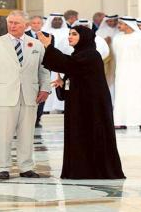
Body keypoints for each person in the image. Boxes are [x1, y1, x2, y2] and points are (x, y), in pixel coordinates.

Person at [36, 25, 125, 179]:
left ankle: (91, 171)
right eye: (69, 34)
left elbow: (67, 64)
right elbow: (73, 70)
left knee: (91, 136)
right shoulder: (79, 54)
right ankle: (80, 170)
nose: (70, 37)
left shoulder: (91, 54)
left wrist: (48, 46)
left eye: (74, 34)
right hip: (80, 105)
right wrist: (63, 84)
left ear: (84, 37)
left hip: (92, 108)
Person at [0, 10, 51, 180]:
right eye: (10, 22)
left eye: (16, 23)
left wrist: (45, 88)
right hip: (4, 95)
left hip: (30, 95)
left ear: (25, 25)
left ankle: (26, 167)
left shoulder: (36, 44)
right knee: (3, 134)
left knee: (27, 133)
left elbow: (43, 69)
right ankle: (2, 168)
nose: (12, 26)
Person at [112, 17, 141, 130]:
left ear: (128, 24)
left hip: (138, 71)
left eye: (121, 24)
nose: (119, 26)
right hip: (122, 71)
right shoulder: (117, 38)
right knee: (122, 95)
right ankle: (121, 121)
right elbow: (115, 54)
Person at [25, 16, 54, 128]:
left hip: (44, 67)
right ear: (30, 24)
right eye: (34, 23)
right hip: (28, 69)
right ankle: (28, 118)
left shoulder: (49, 36)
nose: (36, 25)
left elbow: (51, 52)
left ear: (42, 24)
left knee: (43, 91)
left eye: (38, 23)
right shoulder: (24, 35)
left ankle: (38, 117)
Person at [42, 13, 70, 112]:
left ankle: (62, 107)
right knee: (49, 83)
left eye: (59, 19)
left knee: (63, 83)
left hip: (64, 62)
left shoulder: (68, 32)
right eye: (55, 19)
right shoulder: (45, 32)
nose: (57, 21)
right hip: (49, 63)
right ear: (51, 20)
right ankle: (46, 108)